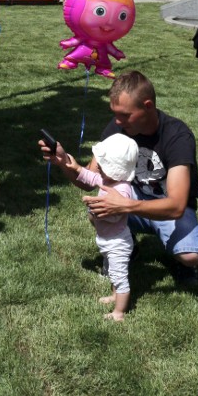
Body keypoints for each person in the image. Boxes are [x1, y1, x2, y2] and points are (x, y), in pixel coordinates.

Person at [41, 71, 198, 282]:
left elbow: (176, 205)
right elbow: (90, 179)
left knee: (190, 255)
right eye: (115, 113)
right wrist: (63, 162)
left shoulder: (177, 136)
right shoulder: (118, 128)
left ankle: (180, 263)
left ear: (148, 106)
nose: (117, 121)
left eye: (125, 115)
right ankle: (129, 244)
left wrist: (124, 206)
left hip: (166, 208)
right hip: (132, 196)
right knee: (98, 208)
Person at [46, 134, 139, 321]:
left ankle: (119, 312)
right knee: (113, 271)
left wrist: (94, 209)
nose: (99, 169)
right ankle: (114, 295)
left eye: (104, 166)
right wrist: (76, 167)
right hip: (107, 239)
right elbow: (92, 177)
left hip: (118, 242)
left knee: (120, 277)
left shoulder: (122, 189)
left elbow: (115, 216)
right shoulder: (108, 179)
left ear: (117, 169)